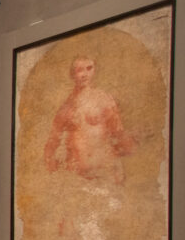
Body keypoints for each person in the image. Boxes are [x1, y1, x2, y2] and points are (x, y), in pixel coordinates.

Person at [43, 55, 134, 184]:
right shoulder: (66, 107)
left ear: (94, 70)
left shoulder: (104, 100)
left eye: (89, 68)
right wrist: (52, 174)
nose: (85, 74)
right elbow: (52, 144)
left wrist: (118, 168)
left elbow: (118, 134)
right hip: (76, 176)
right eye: (79, 70)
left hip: (104, 172)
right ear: (72, 75)